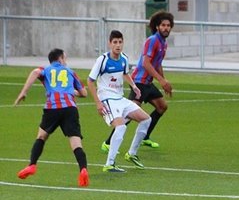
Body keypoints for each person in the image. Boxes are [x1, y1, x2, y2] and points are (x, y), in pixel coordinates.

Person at [13, 48, 89, 187]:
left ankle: (32, 165)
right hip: (70, 109)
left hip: (52, 108)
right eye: (65, 58)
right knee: (76, 143)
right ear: (60, 58)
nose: (65, 61)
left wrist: (24, 92)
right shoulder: (71, 72)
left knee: (41, 137)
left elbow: (35, 72)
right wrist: (70, 91)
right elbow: (84, 93)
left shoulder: (46, 70)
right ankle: (83, 169)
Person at [101, 10, 174, 152]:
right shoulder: (152, 41)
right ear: (157, 26)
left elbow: (157, 63)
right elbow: (146, 63)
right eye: (163, 25)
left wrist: (163, 81)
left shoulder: (163, 43)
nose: (166, 28)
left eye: (168, 25)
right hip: (139, 82)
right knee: (128, 114)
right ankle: (108, 142)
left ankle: (145, 137)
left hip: (148, 83)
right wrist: (161, 80)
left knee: (162, 106)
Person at [87, 30, 152, 173]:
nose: (118, 45)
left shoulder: (123, 58)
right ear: (110, 44)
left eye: (120, 42)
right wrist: (98, 102)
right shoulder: (102, 60)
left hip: (120, 99)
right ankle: (109, 164)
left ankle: (132, 154)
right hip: (107, 99)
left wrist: (134, 86)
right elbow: (90, 81)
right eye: (115, 42)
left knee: (146, 119)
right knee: (121, 127)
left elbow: (125, 73)